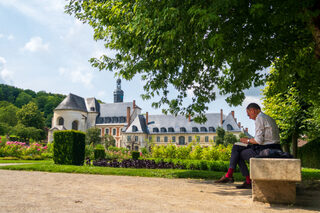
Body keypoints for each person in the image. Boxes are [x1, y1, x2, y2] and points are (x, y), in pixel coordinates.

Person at [215, 103, 282, 189]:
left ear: (253, 110)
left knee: (237, 151)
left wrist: (247, 140)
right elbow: (263, 138)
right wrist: (249, 140)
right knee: (237, 147)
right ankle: (233, 176)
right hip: (274, 147)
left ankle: (233, 176)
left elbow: (258, 140)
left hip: (266, 149)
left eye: (248, 114)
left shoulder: (259, 118)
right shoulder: (267, 118)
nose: (249, 117)